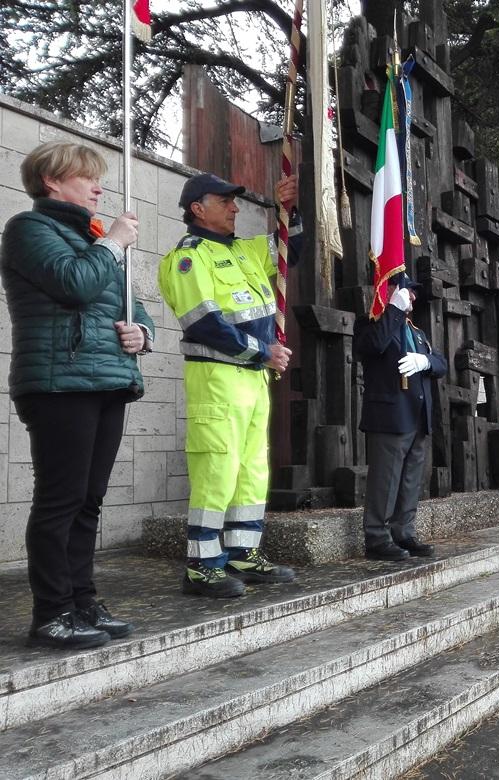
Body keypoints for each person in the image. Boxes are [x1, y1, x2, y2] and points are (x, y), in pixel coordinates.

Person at [2, 141, 154, 648]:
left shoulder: (93, 237)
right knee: (60, 499)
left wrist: (142, 335)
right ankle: (51, 613)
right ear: (51, 181)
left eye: (99, 178)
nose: (98, 186)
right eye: (86, 177)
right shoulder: (29, 229)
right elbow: (74, 284)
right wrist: (111, 243)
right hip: (58, 381)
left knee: (89, 500)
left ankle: (82, 601)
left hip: (109, 378)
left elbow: (131, 305)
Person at [158, 171, 300, 597]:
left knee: (252, 469)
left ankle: (242, 553)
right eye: (225, 202)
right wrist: (263, 353)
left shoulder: (246, 250)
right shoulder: (187, 258)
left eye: (234, 202)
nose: (235, 207)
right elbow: (203, 323)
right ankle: (202, 565)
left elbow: (297, 249)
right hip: (217, 378)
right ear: (198, 209)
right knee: (217, 468)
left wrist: (288, 208)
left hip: (253, 382)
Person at [355, 273, 448, 560]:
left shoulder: (416, 332)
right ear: (391, 290)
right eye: (408, 290)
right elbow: (373, 346)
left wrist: (426, 362)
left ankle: (403, 532)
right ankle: (377, 537)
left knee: (410, 480)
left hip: (417, 415)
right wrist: (392, 309)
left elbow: (441, 363)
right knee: (386, 479)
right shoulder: (372, 322)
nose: (413, 297)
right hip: (390, 416)